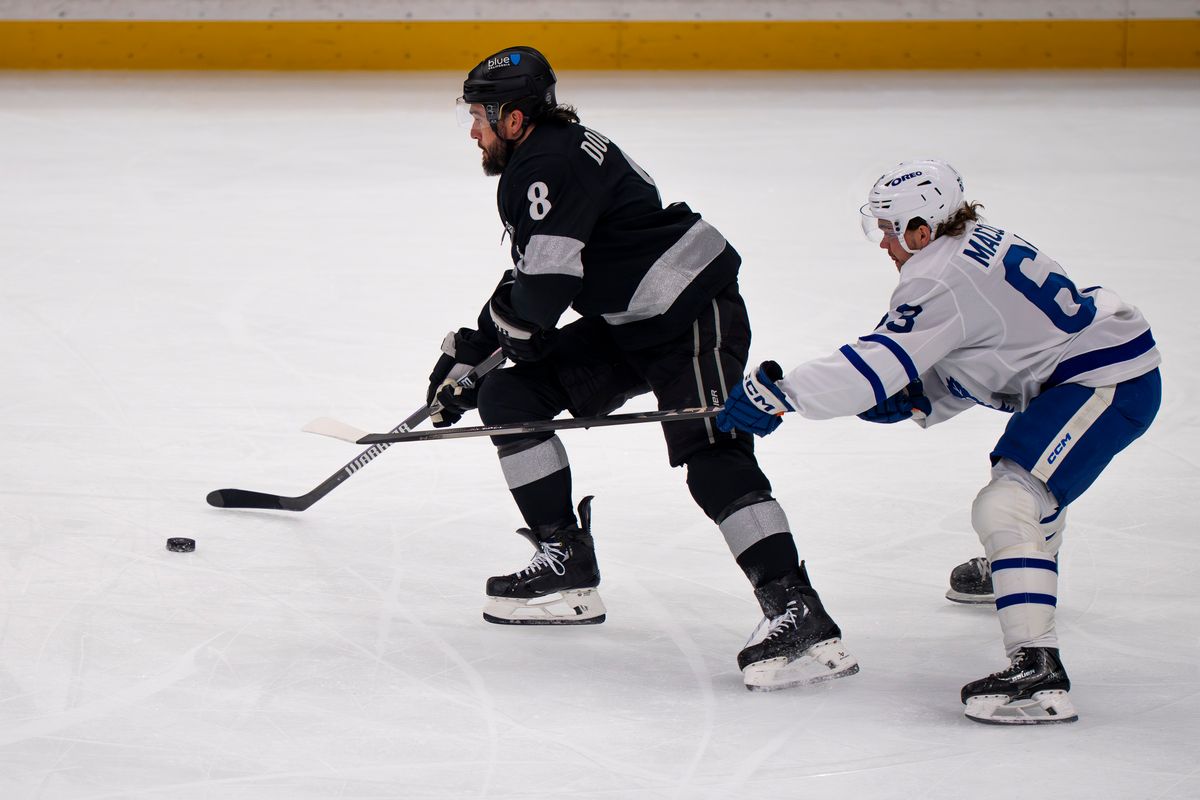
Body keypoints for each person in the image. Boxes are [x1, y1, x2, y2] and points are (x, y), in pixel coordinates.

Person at [426, 45, 859, 691]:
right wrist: (476, 349)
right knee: (514, 395)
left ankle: (797, 608)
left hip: (692, 311)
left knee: (712, 452)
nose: (473, 131)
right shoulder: (556, 147)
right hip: (633, 319)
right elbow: (539, 273)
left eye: (480, 117)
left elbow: (542, 295)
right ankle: (566, 559)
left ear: (513, 120)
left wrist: (495, 346)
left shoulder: (542, 167)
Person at [716, 159, 1161, 723]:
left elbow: (873, 365)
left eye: (889, 229)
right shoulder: (970, 245)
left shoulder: (937, 275)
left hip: (1106, 382)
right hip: (1092, 369)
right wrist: (926, 393)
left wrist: (781, 392)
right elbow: (993, 345)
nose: (883, 242)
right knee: (1028, 478)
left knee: (1011, 502)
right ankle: (1019, 570)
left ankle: (1038, 671)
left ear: (921, 228)